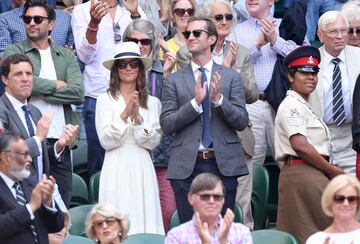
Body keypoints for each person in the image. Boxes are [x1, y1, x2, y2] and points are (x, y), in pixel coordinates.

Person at [160, 16, 249, 224]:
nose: (190, 37)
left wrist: (219, 100)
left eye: (196, 33)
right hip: (186, 165)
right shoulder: (174, 79)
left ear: (211, 39)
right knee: (190, 233)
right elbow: (167, 123)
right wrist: (194, 103)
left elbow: (241, 121)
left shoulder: (231, 77)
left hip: (223, 163)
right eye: (187, 34)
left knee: (222, 231)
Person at [3, 0, 84, 207]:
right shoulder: (14, 50)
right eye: (27, 19)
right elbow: (23, 83)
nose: (31, 23)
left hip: (61, 141)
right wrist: (55, 85)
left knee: (61, 210)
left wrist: (41, 90)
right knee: (28, 208)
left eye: (38, 19)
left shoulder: (66, 55)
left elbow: (78, 92)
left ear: (51, 24)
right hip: (28, 143)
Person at [198, 0, 258, 229]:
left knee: (241, 209)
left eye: (228, 17)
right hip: (204, 142)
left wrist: (233, 74)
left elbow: (252, 94)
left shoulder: (241, 52)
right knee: (209, 209)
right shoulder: (193, 51)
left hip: (238, 137)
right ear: (207, 22)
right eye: (218, 17)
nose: (224, 21)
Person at [275, 45, 344, 244]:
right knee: (324, 231)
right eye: (304, 73)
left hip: (309, 171)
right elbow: (300, 145)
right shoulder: (292, 105)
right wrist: (331, 170)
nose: (310, 77)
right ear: (290, 77)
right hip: (302, 171)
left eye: (314, 73)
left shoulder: (303, 104)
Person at [71, 0, 147, 176]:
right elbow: (84, 56)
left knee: (132, 156)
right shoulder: (82, 11)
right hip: (97, 95)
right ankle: (100, 203)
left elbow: (145, 50)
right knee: (100, 162)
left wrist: (135, 15)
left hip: (131, 93)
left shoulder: (133, 8)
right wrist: (94, 23)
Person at [96, 42, 164, 235]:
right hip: (115, 165)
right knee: (116, 219)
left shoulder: (153, 103)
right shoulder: (104, 100)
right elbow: (106, 142)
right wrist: (125, 115)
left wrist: (140, 121)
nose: (128, 68)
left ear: (140, 68)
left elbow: (153, 142)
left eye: (133, 63)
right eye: (122, 64)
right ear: (115, 69)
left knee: (145, 220)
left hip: (142, 164)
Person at [227, 0, 300, 167]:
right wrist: (257, 46)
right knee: (251, 166)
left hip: (285, 104)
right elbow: (232, 67)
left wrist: (276, 41)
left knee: (290, 165)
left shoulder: (286, 25)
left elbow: (302, 60)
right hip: (252, 104)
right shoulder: (236, 31)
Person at [0, 54, 78, 206]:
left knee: (64, 228)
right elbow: (5, 156)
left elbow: (39, 159)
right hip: (16, 196)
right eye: (18, 74)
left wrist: (59, 145)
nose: (25, 78)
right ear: (5, 80)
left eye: (29, 73)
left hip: (45, 191)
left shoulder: (34, 111)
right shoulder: (1, 110)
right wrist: (38, 138)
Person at [123, 19, 176, 233]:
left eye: (145, 41)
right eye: (133, 40)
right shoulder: (118, 73)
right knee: (133, 215)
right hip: (131, 155)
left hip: (161, 156)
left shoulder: (163, 69)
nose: (139, 45)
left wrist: (165, 77)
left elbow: (165, 113)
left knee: (167, 212)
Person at [309, 11, 360, 176]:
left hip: (352, 137)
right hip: (321, 137)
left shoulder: (359, 57)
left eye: (343, 30)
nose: (340, 36)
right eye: (333, 31)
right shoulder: (311, 61)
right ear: (320, 35)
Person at [0, 132, 65, 244]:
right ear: (5, 158)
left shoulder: (30, 181)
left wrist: (48, 203)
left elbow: (57, 226)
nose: (30, 159)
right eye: (24, 154)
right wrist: (30, 207)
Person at [165, 173, 252, 243]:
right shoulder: (176, 237)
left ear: (223, 200)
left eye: (217, 197)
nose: (211, 201)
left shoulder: (241, 233)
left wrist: (224, 242)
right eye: (205, 196)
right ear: (191, 198)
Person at [306, 174, 360, 244]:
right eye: (339, 199)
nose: (346, 204)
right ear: (329, 202)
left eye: (352, 199)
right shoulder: (315, 240)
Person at [159, 0, 198, 71]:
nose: (186, 14)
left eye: (190, 11)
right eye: (180, 12)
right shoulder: (164, 48)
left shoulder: (203, 43)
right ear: (172, 15)